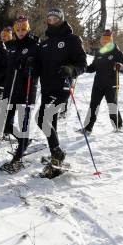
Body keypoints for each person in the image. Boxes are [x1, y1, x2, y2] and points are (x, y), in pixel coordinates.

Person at [35, 9, 87, 178]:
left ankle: (58, 154)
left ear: (62, 19)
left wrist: (71, 69)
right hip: (46, 89)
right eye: (49, 18)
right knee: (51, 121)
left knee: (42, 118)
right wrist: (30, 64)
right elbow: (39, 66)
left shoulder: (72, 40)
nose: (52, 20)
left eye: (55, 18)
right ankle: (54, 154)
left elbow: (82, 64)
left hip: (62, 88)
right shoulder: (44, 43)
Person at [0, 16, 39, 173]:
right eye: (18, 29)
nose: (20, 32)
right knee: (6, 124)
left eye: (23, 29)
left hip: (26, 90)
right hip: (11, 91)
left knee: (23, 125)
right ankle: (24, 141)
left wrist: (31, 65)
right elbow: (8, 69)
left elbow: (39, 68)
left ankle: (18, 157)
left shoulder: (34, 45)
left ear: (27, 29)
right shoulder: (12, 46)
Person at [81, 29, 123, 134]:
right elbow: (93, 67)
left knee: (112, 105)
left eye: (107, 40)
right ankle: (88, 128)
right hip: (98, 83)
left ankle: (118, 126)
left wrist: (120, 66)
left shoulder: (117, 52)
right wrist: (84, 68)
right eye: (103, 40)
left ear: (111, 40)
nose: (105, 42)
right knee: (93, 105)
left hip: (111, 84)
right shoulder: (99, 52)